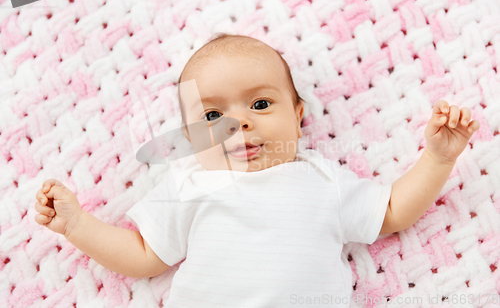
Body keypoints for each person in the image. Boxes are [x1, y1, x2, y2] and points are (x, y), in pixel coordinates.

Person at [34, 33, 480, 307]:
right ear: (190, 139)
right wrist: (78, 226)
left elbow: (392, 212)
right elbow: (145, 256)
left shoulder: (320, 178)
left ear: (298, 115)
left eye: (260, 104)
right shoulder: (191, 182)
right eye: (212, 117)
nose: (239, 123)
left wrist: (437, 158)